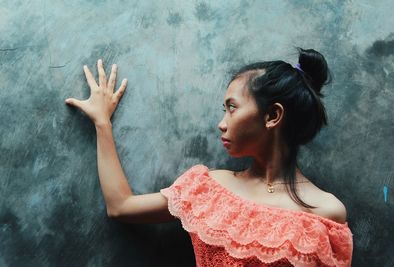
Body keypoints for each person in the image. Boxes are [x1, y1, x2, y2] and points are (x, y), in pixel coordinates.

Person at [65, 47, 353, 266]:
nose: (222, 123)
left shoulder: (326, 215)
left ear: (272, 115)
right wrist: (102, 123)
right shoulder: (209, 190)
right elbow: (121, 206)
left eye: (232, 107)